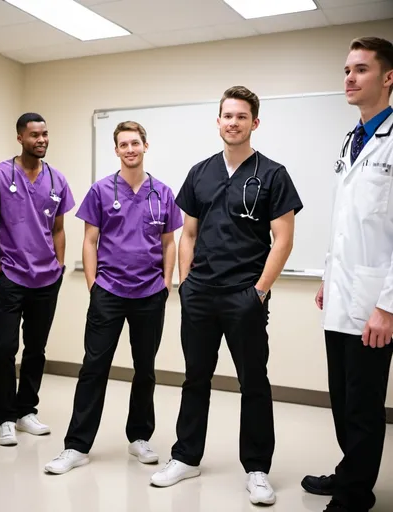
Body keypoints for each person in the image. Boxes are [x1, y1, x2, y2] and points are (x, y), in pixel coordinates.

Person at [150, 86, 303, 506]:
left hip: (244, 297)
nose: (232, 122)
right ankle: (186, 457)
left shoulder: (272, 174)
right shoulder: (200, 172)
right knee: (195, 377)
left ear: (254, 123)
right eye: (226, 116)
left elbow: (283, 240)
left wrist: (258, 293)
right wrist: (187, 283)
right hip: (200, 294)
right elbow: (189, 234)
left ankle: (257, 469)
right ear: (217, 122)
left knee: (253, 381)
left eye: (241, 116)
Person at [44, 121, 183, 474]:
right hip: (109, 292)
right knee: (93, 368)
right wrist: (93, 285)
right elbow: (89, 240)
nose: (130, 149)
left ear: (145, 146)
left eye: (135, 143)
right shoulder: (101, 190)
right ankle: (76, 446)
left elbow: (170, 243)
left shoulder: (163, 193)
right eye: (123, 144)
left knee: (146, 370)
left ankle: (139, 437)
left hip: (150, 293)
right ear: (117, 150)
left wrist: (166, 283)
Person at [301, 37, 393, 512]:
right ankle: (348, 472)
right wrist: (325, 276)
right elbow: (345, 219)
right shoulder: (352, 138)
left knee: (362, 404)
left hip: (374, 303)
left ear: (388, 77)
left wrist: (387, 305)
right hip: (341, 293)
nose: (349, 79)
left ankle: (356, 493)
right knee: (341, 398)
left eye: (360, 69)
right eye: (345, 70)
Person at [0, 113, 75, 446]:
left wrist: (59, 267)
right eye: (34, 135)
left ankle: (26, 410)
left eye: (45, 134)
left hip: (46, 278)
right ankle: (4, 417)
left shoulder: (57, 179)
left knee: (36, 348)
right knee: (3, 348)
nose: (42, 140)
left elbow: (59, 229)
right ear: (20, 138)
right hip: (11, 276)